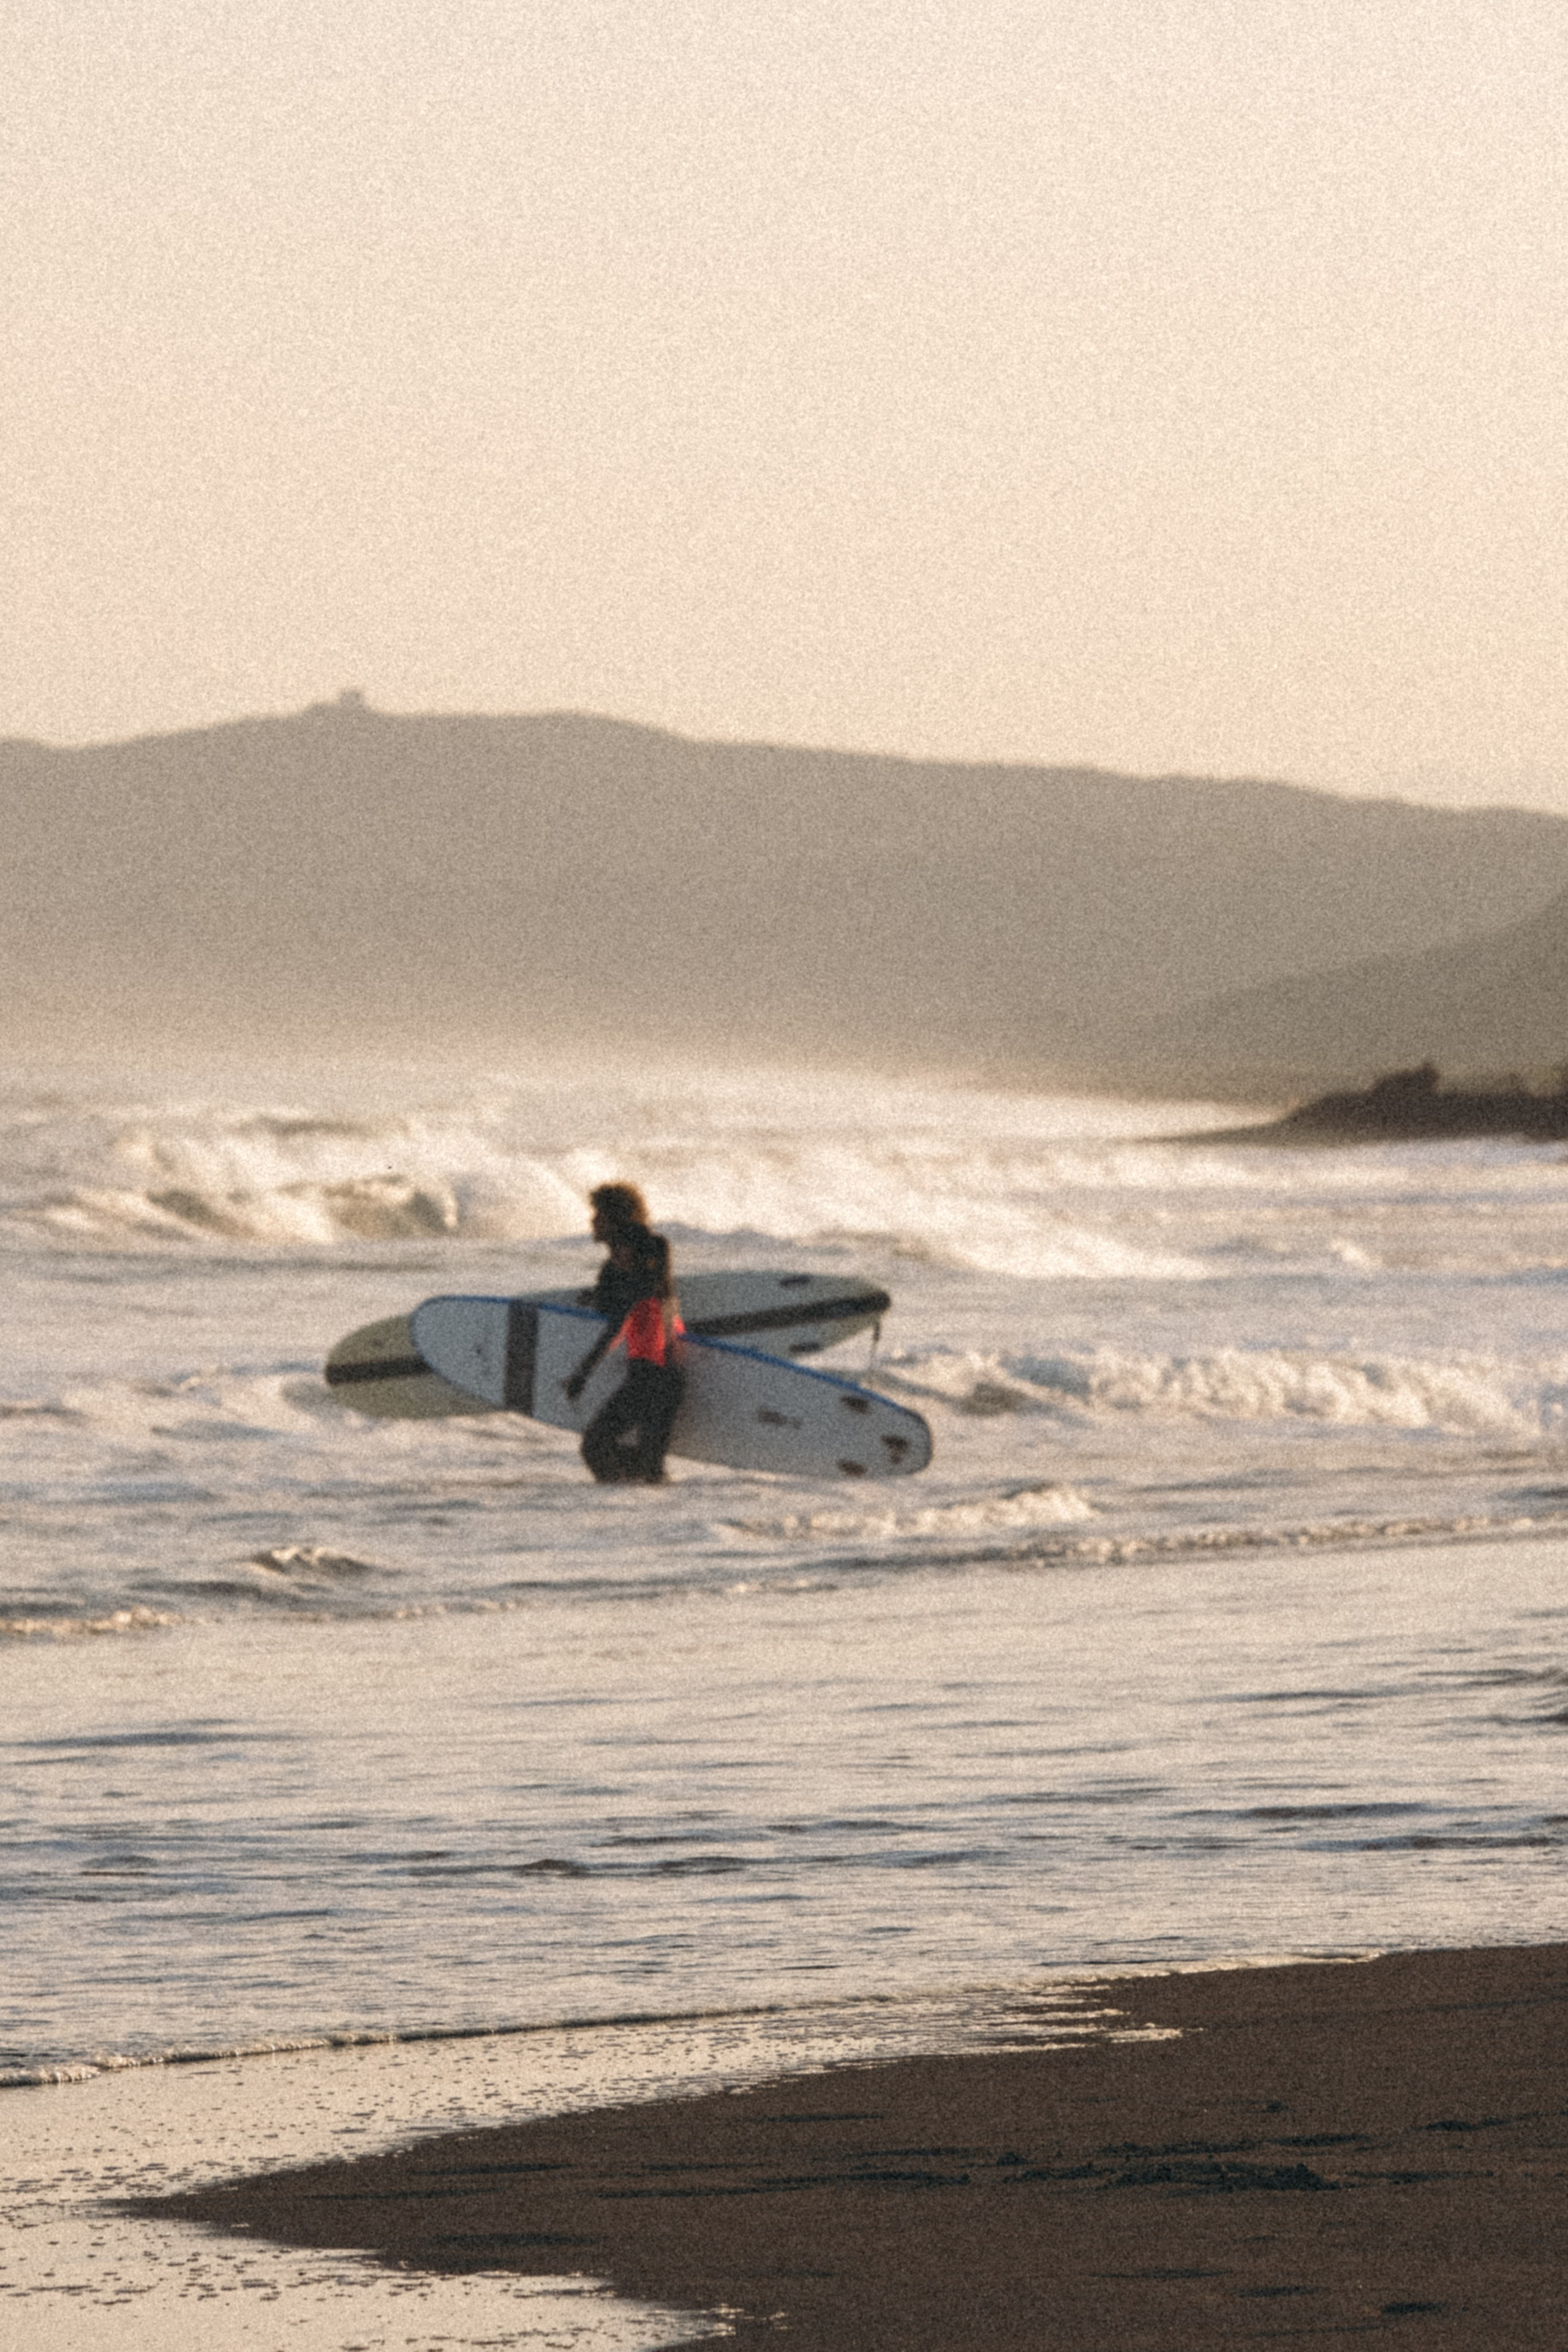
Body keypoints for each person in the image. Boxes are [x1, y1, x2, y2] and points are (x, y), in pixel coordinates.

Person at [564, 1211, 685, 1484]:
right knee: (651, 1469)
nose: (614, 1258)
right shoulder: (665, 1289)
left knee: (594, 1447)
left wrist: (581, 1376)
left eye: (619, 1251)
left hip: (646, 1383)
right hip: (672, 1384)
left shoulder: (634, 1292)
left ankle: (615, 1504)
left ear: (632, 1253)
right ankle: (646, 1511)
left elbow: (612, 1336)